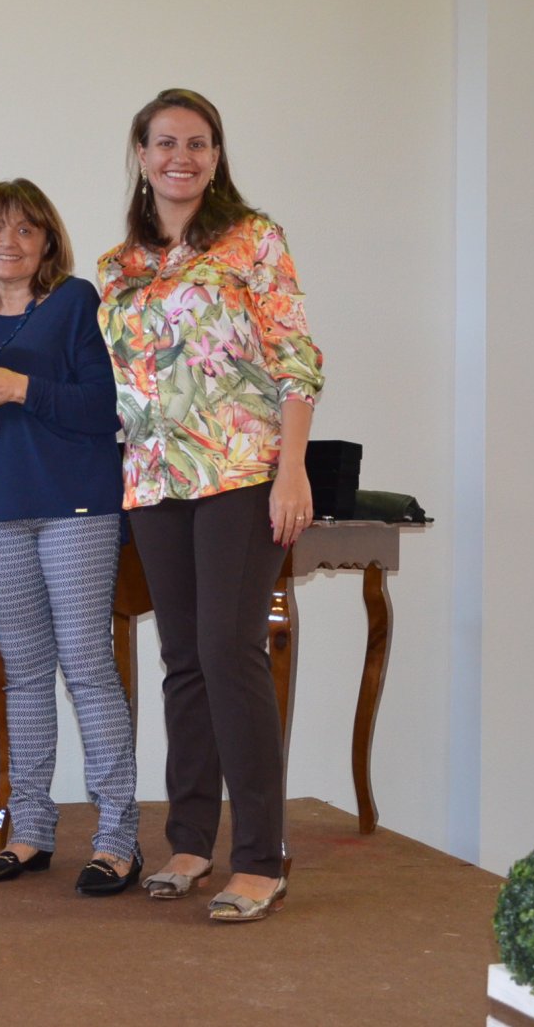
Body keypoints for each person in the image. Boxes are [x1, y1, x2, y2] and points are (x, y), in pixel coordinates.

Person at [98, 88, 325, 922]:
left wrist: (292, 470)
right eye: (165, 143)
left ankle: (261, 858)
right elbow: (115, 384)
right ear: (142, 154)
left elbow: (296, 357)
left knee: (231, 652)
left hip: (241, 471)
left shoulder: (253, 239)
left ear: (216, 155)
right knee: (185, 658)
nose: (181, 157)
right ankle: (190, 841)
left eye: (197, 143)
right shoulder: (118, 267)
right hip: (154, 480)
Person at [0, 180, 141, 895]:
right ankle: (30, 831)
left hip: (73, 507)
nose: (8, 242)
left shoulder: (76, 302)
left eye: (25, 229)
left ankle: (117, 839)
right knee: (23, 674)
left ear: (48, 241)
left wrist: (20, 387)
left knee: (86, 665)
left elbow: (107, 408)